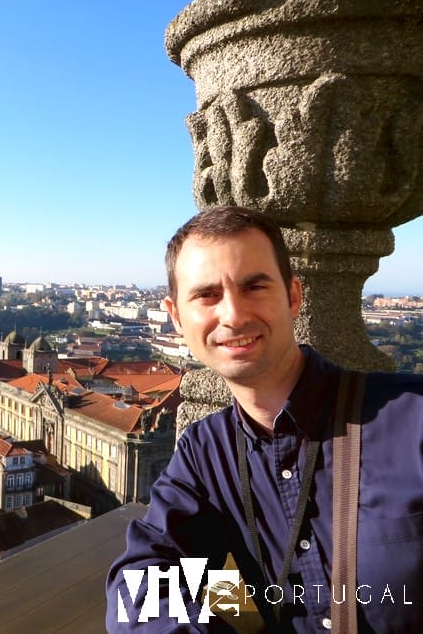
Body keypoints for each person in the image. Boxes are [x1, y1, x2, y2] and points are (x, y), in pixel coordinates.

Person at [105, 206, 423, 633]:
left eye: (255, 286)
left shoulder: (411, 419)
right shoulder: (206, 453)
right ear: (177, 316)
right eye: (207, 295)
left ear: (293, 297)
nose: (233, 315)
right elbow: (141, 582)